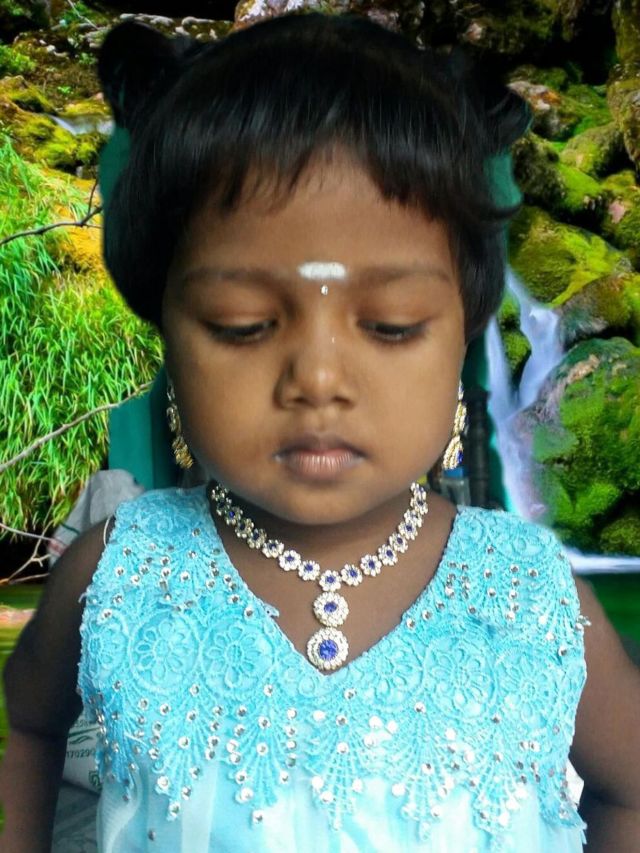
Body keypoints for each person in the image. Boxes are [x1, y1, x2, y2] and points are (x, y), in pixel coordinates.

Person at [1, 12, 639, 852]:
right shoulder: (114, 575)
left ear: (465, 333)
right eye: (241, 323)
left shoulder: (530, 596)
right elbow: (31, 726)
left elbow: (630, 787)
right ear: (167, 329)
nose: (319, 378)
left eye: (392, 324)